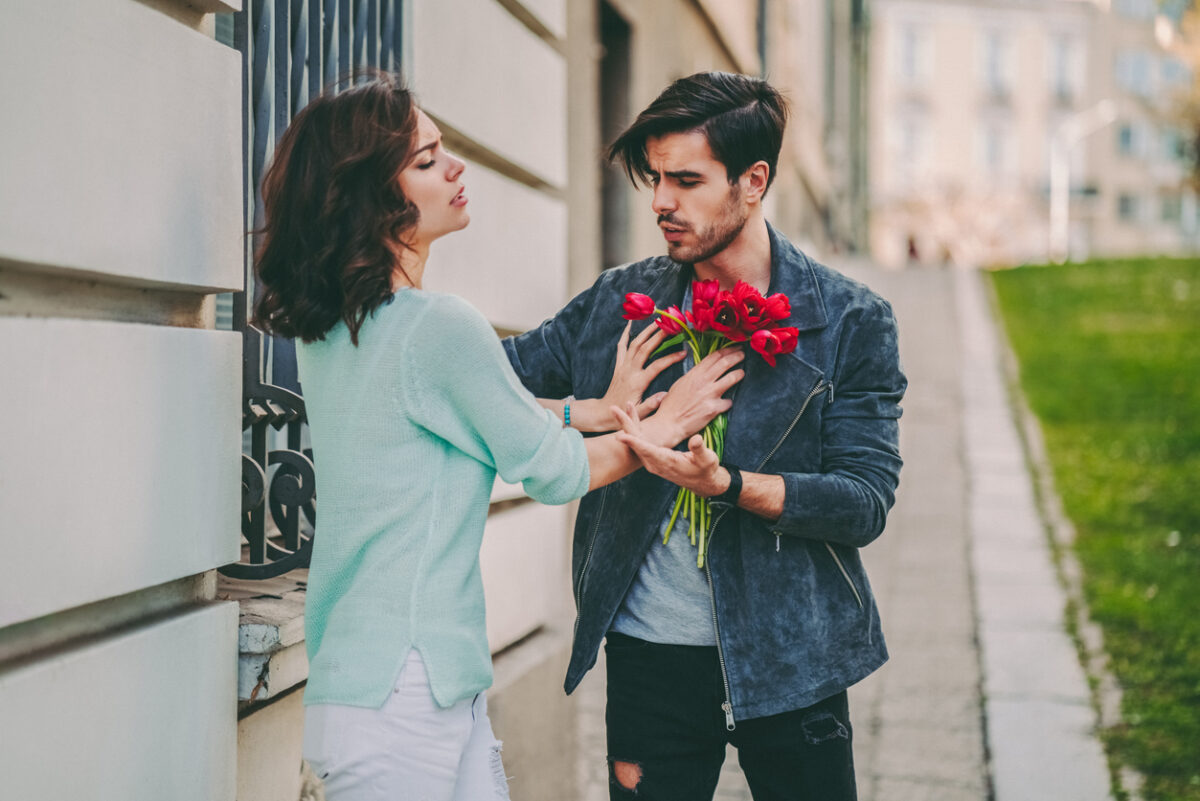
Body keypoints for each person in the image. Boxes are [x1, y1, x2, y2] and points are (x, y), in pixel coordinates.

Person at [251, 73, 744, 801]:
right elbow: (550, 472)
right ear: (371, 196)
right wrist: (666, 426)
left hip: (378, 685)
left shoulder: (341, 330)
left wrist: (595, 410)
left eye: (444, 150)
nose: (455, 168)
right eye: (425, 160)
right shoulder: (436, 326)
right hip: (405, 691)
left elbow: (463, 419)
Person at [503, 71, 907, 800]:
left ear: (753, 181)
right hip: (648, 659)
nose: (661, 201)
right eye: (656, 178)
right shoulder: (615, 305)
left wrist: (729, 485)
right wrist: (589, 412)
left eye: (686, 180)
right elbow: (486, 388)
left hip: (795, 658)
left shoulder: (850, 320)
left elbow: (865, 499)